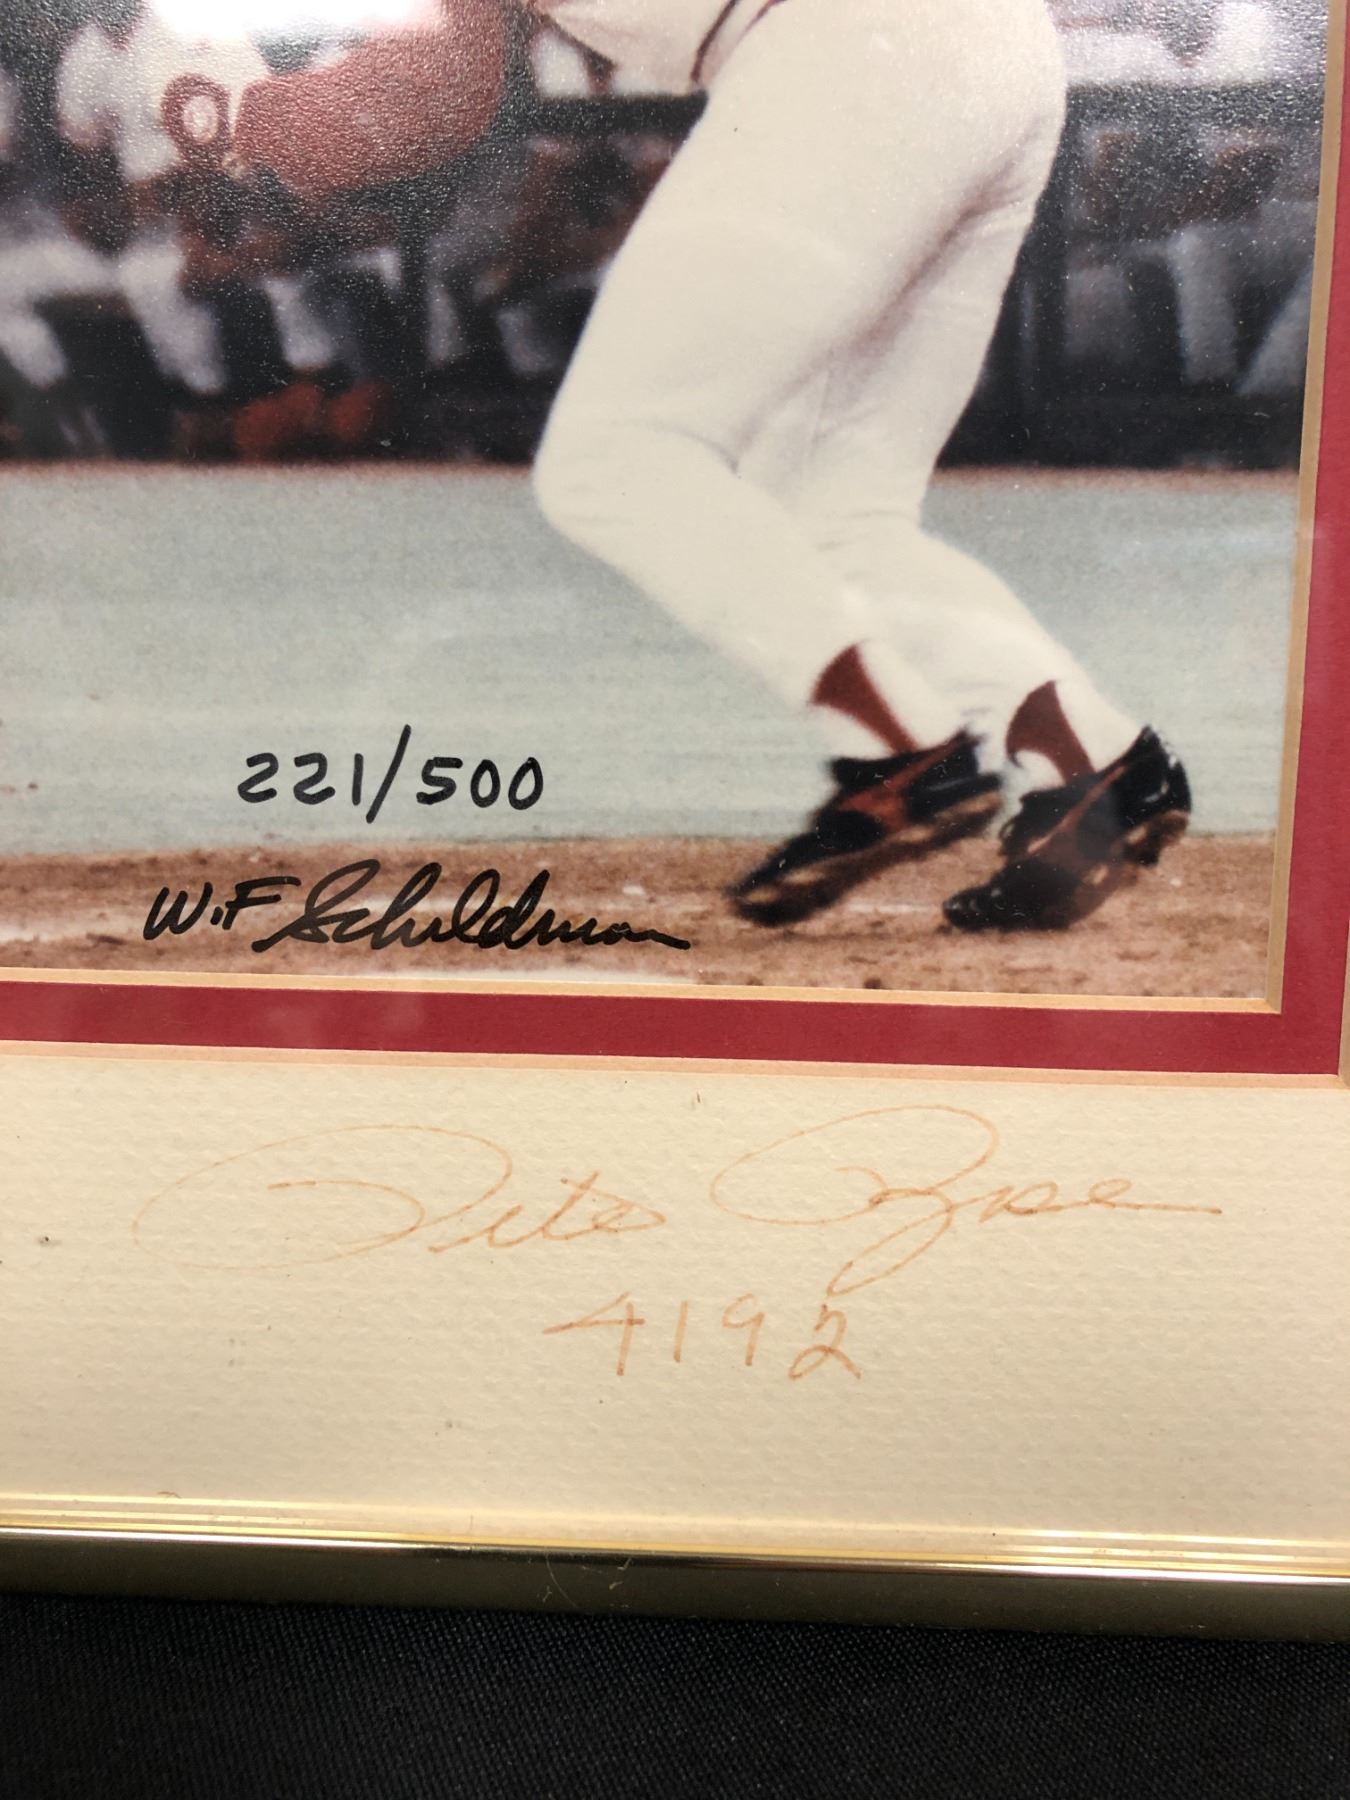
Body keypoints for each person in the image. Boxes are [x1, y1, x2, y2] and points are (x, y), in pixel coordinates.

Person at [167, 0, 1195, 933]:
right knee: (831, 517)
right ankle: (1097, 767)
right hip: (999, 55)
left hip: (847, 54)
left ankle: (904, 753)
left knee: (612, 458)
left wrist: (242, 120)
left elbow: (435, 98)